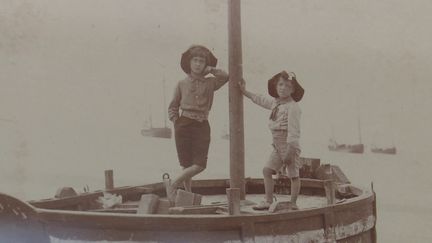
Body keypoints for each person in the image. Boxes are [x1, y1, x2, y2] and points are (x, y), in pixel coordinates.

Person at [167, 45, 229, 201]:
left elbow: (226, 77)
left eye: (201, 61)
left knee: (200, 164)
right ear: (189, 63)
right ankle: (187, 195)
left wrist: (212, 69)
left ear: (205, 64)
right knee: (186, 164)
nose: (198, 64)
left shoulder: (210, 83)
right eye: (195, 60)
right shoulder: (181, 83)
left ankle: (173, 183)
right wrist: (176, 122)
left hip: (202, 123)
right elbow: (173, 106)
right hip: (183, 123)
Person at [239, 71, 304, 210]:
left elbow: (294, 133)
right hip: (277, 146)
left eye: (287, 86)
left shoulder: (293, 107)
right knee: (267, 170)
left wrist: (288, 154)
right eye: (280, 84)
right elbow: (260, 99)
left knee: (293, 175)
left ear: (293, 89)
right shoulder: (276, 103)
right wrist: (245, 92)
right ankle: (268, 200)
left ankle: (293, 203)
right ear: (276, 86)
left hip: (289, 146)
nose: (283, 88)